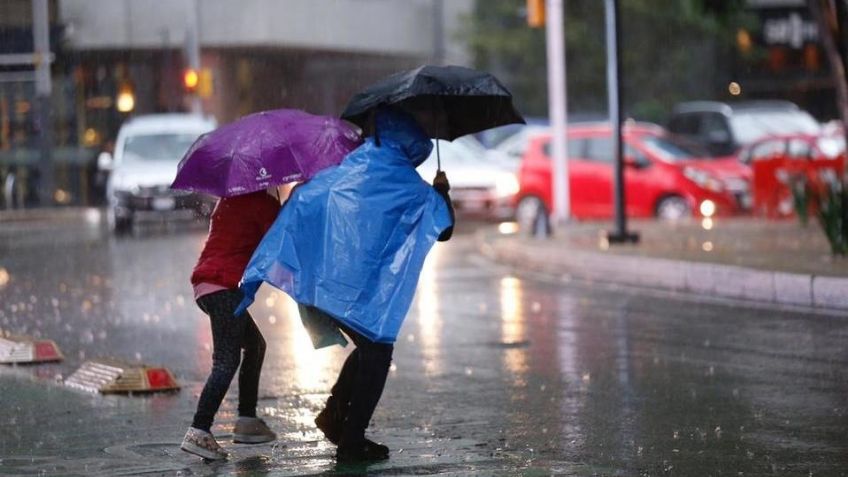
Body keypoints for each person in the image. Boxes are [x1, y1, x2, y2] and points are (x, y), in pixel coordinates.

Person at [237, 107, 455, 462]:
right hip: (353, 294)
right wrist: (441, 192)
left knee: (371, 348)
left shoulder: (349, 164)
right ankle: (350, 438)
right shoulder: (403, 179)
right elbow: (443, 228)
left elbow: (308, 199)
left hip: (324, 285)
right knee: (377, 350)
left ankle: (337, 416)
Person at [180, 188, 281, 461]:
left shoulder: (229, 199)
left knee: (255, 345)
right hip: (223, 287)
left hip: (208, 285)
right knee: (225, 361)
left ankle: (247, 420)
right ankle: (199, 429)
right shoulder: (262, 203)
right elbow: (279, 241)